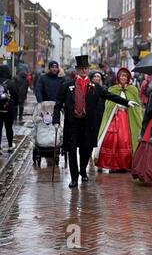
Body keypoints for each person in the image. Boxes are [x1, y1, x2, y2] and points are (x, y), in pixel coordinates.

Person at [52, 55, 140, 188]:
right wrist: (56, 120)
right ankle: (74, 178)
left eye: (86, 68)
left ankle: (83, 170)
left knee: (85, 150)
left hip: (88, 124)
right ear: (77, 70)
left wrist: (127, 102)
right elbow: (58, 104)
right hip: (72, 124)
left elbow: (110, 96)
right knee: (71, 151)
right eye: (81, 69)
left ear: (88, 70)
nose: (84, 71)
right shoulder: (67, 86)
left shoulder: (95, 87)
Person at [95, 68, 142, 173]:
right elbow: (108, 104)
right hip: (114, 117)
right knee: (110, 140)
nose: (123, 78)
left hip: (127, 118)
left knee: (125, 140)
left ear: (128, 78)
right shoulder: (112, 89)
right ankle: (111, 164)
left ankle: (124, 164)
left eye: (125, 76)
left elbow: (137, 107)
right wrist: (114, 108)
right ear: (118, 77)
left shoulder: (133, 89)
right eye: (122, 76)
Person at [0, 65, 18, 152]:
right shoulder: (11, 83)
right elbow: (15, 96)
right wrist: (15, 105)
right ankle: (10, 145)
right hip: (8, 109)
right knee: (9, 128)